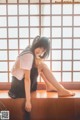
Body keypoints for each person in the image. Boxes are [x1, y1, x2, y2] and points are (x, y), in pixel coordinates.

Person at [8, 35, 75, 119]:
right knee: (42, 65)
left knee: (39, 63)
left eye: (43, 50)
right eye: (40, 47)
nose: (40, 51)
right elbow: (27, 79)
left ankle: (49, 86)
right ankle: (60, 90)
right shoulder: (28, 55)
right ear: (37, 43)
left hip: (17, 85)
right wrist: (28, 102)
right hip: (19, 89)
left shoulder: (29, 49)